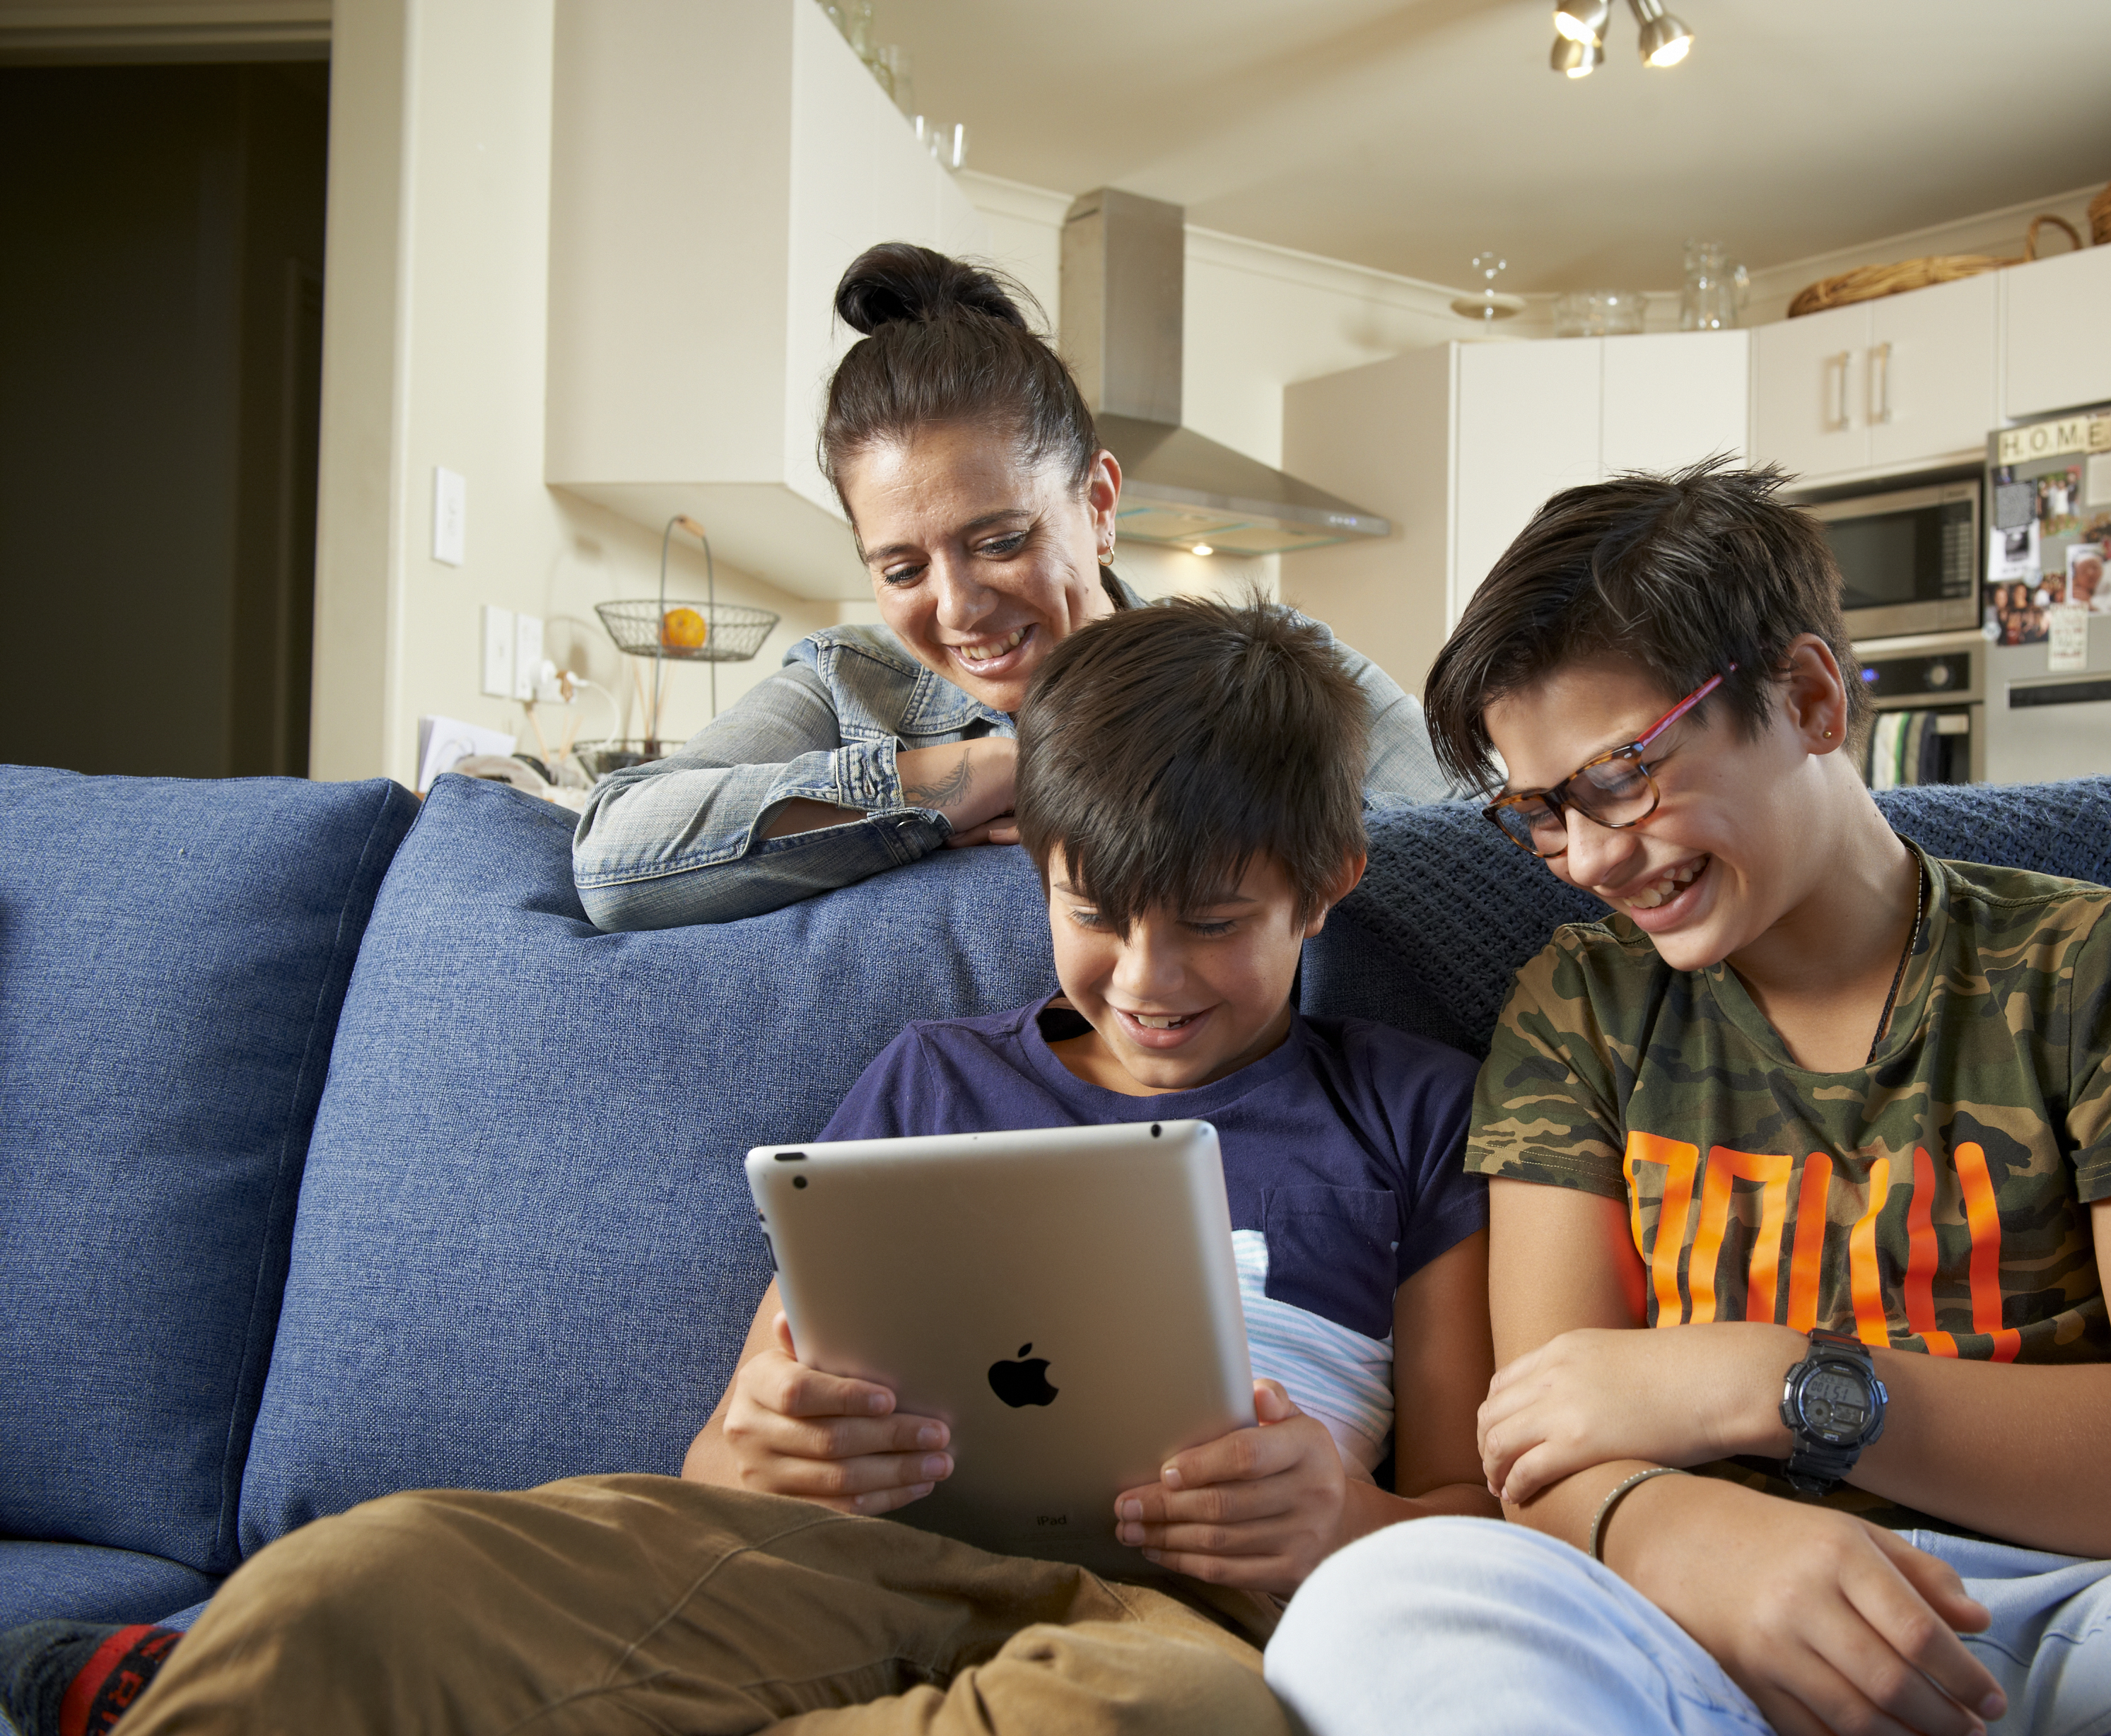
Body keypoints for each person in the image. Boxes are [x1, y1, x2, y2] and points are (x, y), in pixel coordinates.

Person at [1255, 459, 2111, 1736]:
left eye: (1622, 775)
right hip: (1711, 1637)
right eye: (1543, 810)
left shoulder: (2094, 961)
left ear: (1813, 700)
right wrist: (1687, 1538)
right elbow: (1541, 1457)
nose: (1593, 855)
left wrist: (1775, 1381)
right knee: (1373, 1611)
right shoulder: (1581, 1007)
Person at [4, 599, 1497, 1736]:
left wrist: (1343, 1525)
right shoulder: (932, 1080)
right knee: (357, 1576)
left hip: (1180, 1618)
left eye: (1216, 923)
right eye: (1097, 910)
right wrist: (767, 1448)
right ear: (1033, 859)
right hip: (847, 1570)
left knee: (1156, 1719)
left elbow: (1482, 1513)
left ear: (1328, 887)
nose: (1146, 979)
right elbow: (726, 1458)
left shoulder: (1413, 1112)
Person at [570, 244, 1449, 932]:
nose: (955, 608)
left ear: (1097, 502)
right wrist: (990, 771)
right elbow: (615, 857)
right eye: (902, 568)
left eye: (998, 541)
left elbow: (1495, 836)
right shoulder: (849, 685)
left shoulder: (1263, 664)